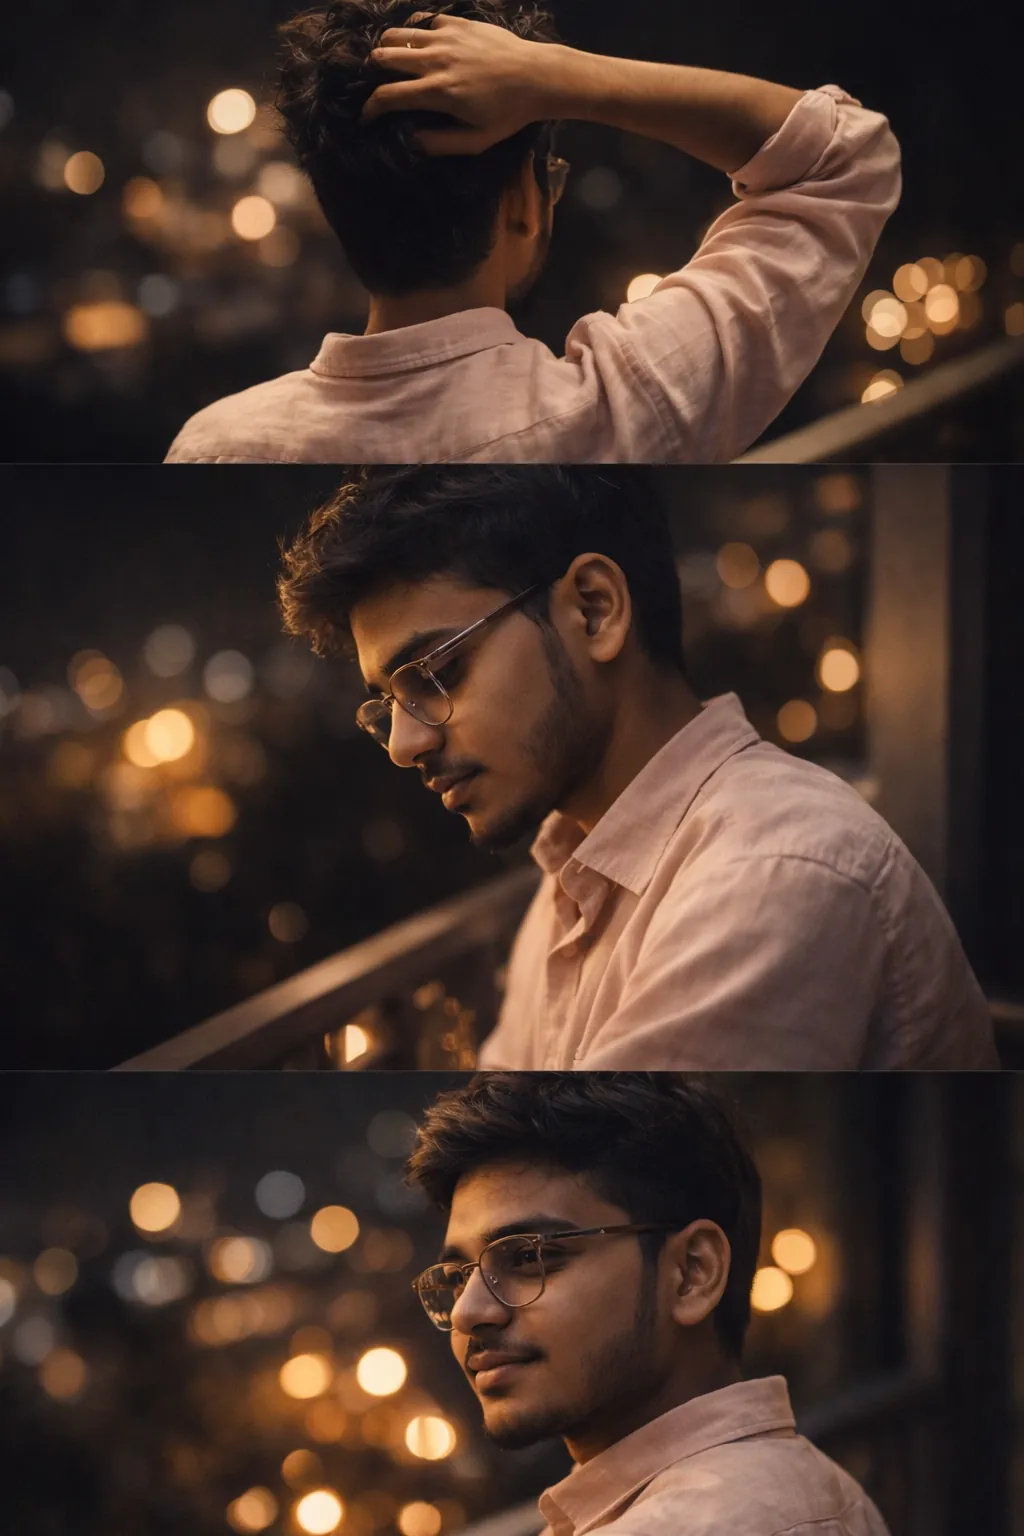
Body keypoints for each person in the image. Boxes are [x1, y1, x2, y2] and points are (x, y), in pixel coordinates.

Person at [276, 464, 997, 1070]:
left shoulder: (774, 874)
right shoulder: (574, 882)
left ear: (594, 610)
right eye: (386, 704)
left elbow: (568, 1169)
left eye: (437, 672)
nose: (404, 744)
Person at [165, 0, 900, 465]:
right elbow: (848, 152)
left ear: (336, 206)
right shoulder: (616, 414)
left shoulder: (216, 445)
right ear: (524, 198)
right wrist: (556, 77)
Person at [405, 1072, 893, 1536]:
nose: (468, 1313)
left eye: (531, 1257)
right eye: (457, 1277)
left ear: (692, 1273)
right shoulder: (809, 1488)